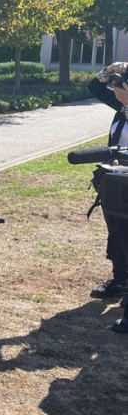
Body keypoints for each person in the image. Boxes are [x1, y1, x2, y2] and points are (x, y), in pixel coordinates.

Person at [87, 62, 128, 328]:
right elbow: (94, 87)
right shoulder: (121, 109)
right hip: (115, 180)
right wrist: (108, 70)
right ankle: (119, 281)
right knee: (116, 230)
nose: (116, 86)